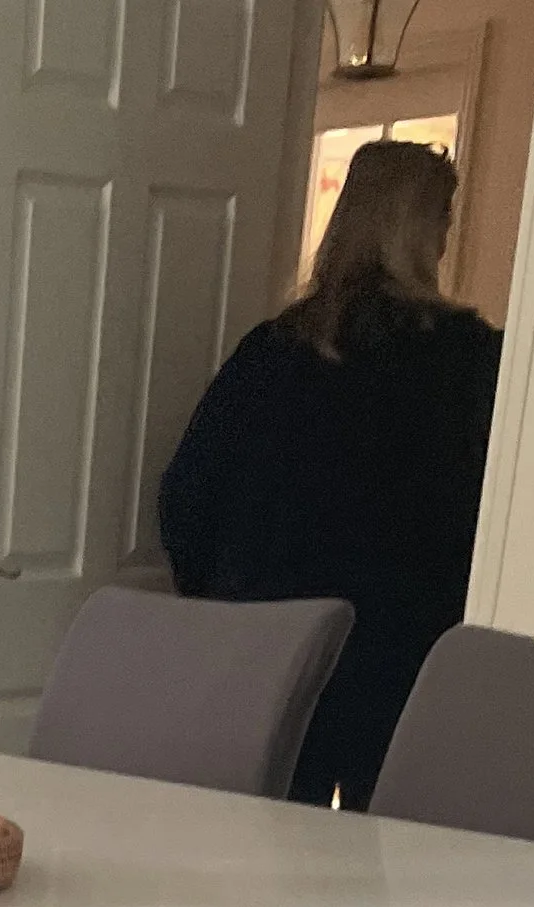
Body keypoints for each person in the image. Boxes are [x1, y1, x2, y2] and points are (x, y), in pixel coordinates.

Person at [158, 140, 503, 810]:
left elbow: (186, 495)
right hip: (410, 647)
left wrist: (227, 606)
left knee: (265, 852)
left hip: (272, 643)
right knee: (393, 867)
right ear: (425, 230)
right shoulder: (471, 361)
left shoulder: (274, 351)